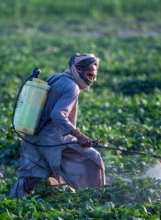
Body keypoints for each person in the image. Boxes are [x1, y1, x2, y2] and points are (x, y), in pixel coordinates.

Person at [9, 53, 105, 198]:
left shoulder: (56, 77)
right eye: (90, 74)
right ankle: (96, 198)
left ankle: (12, 203)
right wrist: (80, 136)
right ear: (78, 69)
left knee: (28, 176)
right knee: (93, 159)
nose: (92, 79)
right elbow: (57, 115)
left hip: (33, 132)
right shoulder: (72, 87)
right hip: (52, 138)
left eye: (94, 76)